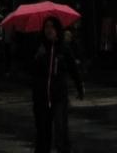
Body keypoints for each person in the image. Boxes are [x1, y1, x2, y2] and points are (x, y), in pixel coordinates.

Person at [30, 16, 84, 153]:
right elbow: (28, 68)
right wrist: (37, 57)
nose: (49, 30)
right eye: (46, 27)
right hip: (41, 98)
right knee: (43, 135)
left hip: (58, 96)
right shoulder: (38, 46)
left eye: (52, 27)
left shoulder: (63, 49)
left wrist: (80, 87)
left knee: (61, 132)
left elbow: (73, 69)